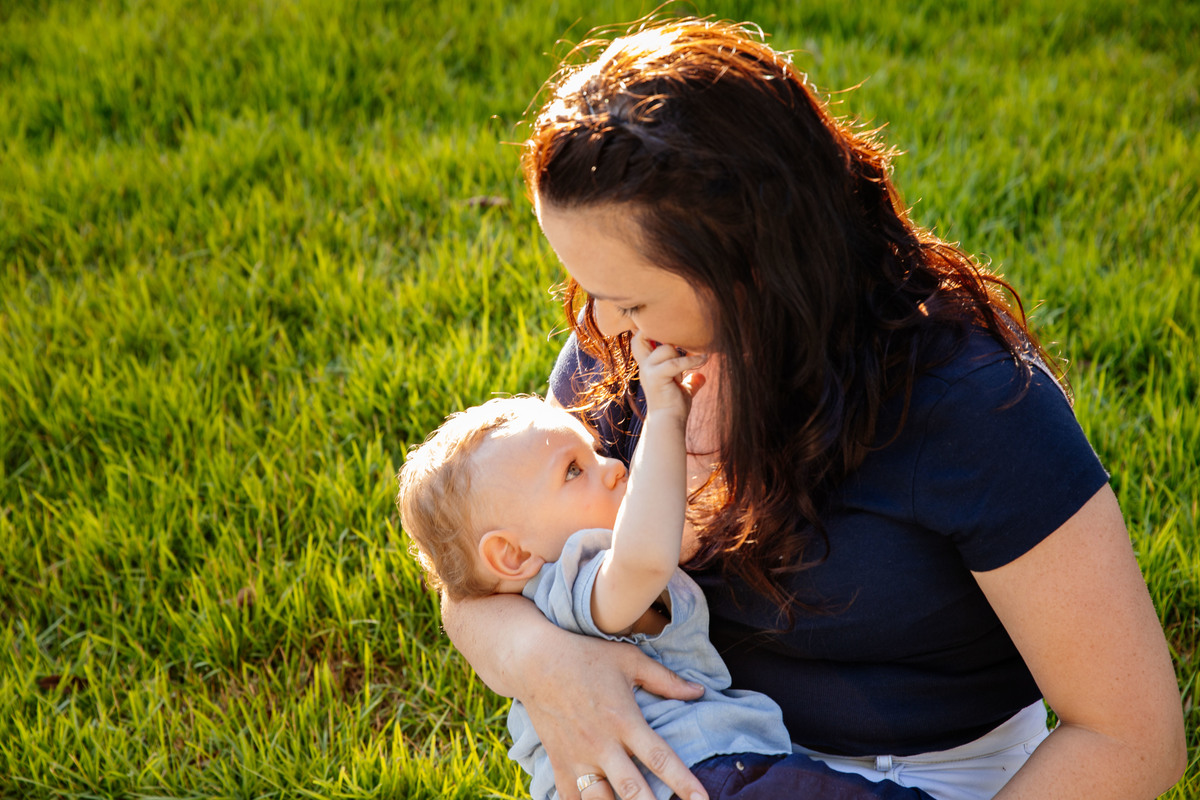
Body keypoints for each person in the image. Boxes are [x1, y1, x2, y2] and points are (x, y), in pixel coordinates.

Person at [440, 16, 1186, 800]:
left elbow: (1132, 738)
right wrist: (546, 665)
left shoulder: (972, 404)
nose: (596, 325)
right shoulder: (628, 355)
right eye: (586, 286)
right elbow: (482, 577)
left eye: (626, 297)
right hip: (707, 747)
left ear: (751, 268)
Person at [398, 333, 938, 800]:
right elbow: (644, 560)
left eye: (595, 452)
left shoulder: (532, 605)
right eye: (573, 471)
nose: (612, 467)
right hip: (703, 773)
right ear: (511, 555)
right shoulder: (571, 579)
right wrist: (664, 418)